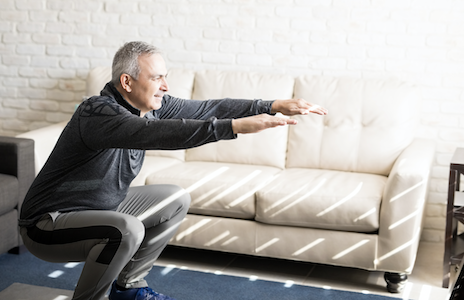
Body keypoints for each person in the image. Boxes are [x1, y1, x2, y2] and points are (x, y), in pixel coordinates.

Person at [19, 41, 328, 300]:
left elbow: (209, 108)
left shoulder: (148, 105)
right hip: (48, 224)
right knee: (126, 230)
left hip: (100, 209)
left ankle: (128, 289)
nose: (165, 87)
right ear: (127, 82)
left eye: (165, 77)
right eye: (157, 78)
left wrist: (272, 104)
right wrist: (234, 128)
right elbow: (157, 134)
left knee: (174, 198)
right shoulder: (97, 112)